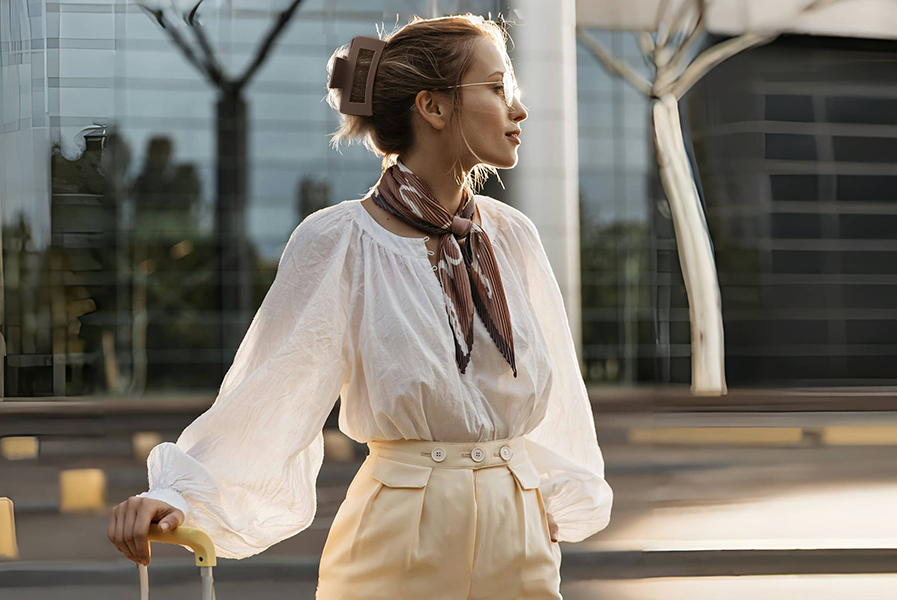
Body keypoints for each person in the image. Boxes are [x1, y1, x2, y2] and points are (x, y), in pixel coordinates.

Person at [108, 14, 612, 599]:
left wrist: (555, 498)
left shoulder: (512, 237)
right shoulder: (341, 240)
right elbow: (272, 387)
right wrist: (178, 494)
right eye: (497, 89)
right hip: (398, 540)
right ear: (434, 106)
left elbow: (561, 402)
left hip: (521, 541)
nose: (518, 110)